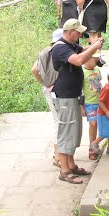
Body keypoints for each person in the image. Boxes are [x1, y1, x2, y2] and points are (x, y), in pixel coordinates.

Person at [51, 18, 104, 184]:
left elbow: (84, 51)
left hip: (73, 95)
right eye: (78, 32)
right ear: (69, 32)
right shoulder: (59, 48)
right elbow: (79, 60)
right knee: (66, 132)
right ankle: (64, 170)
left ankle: (72, 165)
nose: (80, 34)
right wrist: (95, 47)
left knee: (74, 132)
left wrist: (95, 43)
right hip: (64, 96)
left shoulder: (71, 45)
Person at [32, 28, 64, 168]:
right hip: (56, 91)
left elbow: (34, 69)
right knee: (60, 121)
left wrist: (44, 83)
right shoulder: (59, 53)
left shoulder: (46, 52)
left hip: (48, 90)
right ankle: (57, 155)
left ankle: (58, 153)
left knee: (58, 120)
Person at [82, 55, 104, 160]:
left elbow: (99, 85)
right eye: (93, 58)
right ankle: (91, 147)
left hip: (99, 102)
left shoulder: (97, 70)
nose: (96, 61)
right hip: (89, 103)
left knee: (100, 123)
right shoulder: (82, 73)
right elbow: (79, 91)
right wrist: (81, 107)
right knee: (93, 124)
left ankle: (95, 145)